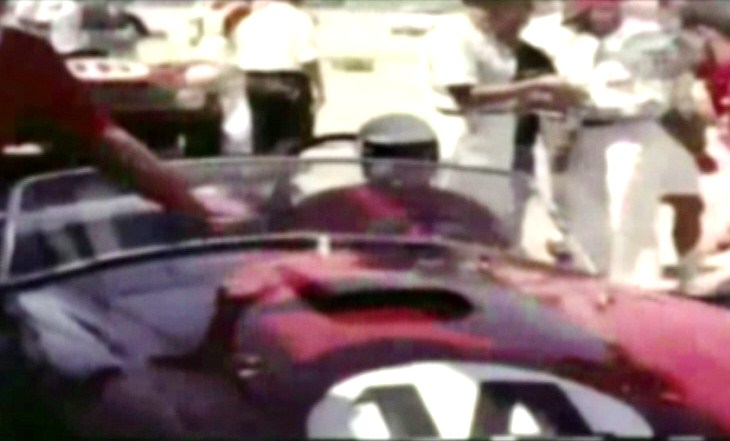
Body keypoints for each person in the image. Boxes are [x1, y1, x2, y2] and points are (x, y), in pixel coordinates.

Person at [0, 21, 249, 232]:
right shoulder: (22, 53)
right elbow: (105, 142)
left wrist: (191, 203)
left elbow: (104, 141)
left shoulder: (24, 56)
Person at [553, 0, 703, 290]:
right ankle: (595, 280)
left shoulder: (641, 45)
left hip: (631, 130)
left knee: (630, 211)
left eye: (591, 12)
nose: (585, 20)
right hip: (584, 132)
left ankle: (637, 285)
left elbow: (656, 95)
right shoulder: (572, 46)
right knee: (585, 211)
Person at [278, 114, 511, 248]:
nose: (403, 171)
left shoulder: (463, 209)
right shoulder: (332, 205)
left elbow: (499, 256)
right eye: (394, 161)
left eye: (413, 160)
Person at [229, 0, 324, 156]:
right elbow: (308, 58)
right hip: (289, 83)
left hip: (254, 82)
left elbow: (238, 53)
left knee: (260, 135)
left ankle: (263, 171)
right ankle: (284, 174)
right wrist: (319, 88)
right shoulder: (299, 18)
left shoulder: (250, 19)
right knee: (291, 138)